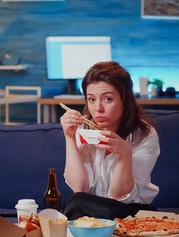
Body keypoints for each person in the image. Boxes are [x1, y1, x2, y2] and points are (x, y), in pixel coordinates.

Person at [60, 61, 160, 220]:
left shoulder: (145, 135)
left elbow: (119, 194)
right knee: (77, 201)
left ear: (124, 100)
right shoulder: (84, 128)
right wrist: (69, 138)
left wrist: (125, 154)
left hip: (130, 211)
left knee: (76, 204)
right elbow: (80, 187)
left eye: (107, 99)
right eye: (91, 99)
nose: (98, 108)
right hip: (87, 208)